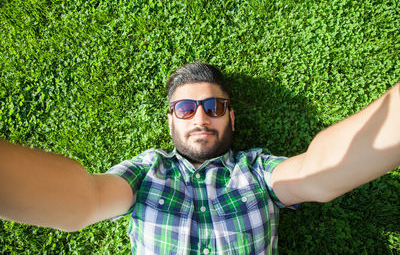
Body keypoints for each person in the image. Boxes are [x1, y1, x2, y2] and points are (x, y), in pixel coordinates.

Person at [0, 62, 399, 254]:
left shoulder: (256, 170)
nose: (201, 116)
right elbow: (84, 199)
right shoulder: (148, 170)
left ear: (232, 116)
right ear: (171, 122)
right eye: (186, 108)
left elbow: (318, 171)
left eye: (213, 105)